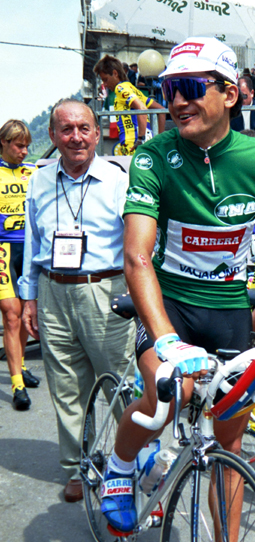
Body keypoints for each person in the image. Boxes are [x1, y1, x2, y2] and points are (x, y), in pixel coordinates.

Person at [99, 37, 255, 542]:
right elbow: (136, 256)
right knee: (169, 393)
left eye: (189, 89)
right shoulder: (154, 155)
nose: (176, 102)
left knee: (230, 443)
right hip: (169, 304)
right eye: (169, 91)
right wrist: (164, 337)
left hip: (229, 312)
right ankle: (119, 466)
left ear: (231, 94)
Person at [20, 100, 135, 503]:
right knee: (66, 386)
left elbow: (138, 244)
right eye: (66, 129)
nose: (76, 137)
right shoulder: (39, 178)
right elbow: (33, 240)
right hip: (53, 291)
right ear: (52, 136)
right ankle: (78, 466)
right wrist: (29, 297)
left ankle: (131, 463)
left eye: (84, 128)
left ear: (97, 131)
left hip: (105, 292)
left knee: (121, 384)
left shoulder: (119, 179)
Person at [0, 120, 39, 411]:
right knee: (11, 315)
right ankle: (17, 384)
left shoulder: (33, 173)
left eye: (27, 146)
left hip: (30, 249)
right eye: (18, 145)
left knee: (27, 311)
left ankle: (21, 363)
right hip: (3, 249)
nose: (24, 151)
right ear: (3, 143)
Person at [93, 55, 166, 155]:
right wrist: (159, 139)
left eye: (105, 79)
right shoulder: (132, 88)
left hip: (132, 146)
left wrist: (140, 138)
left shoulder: (120, 88)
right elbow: (161, 110)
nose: (104, 84)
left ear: (115, 73)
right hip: (145, 145)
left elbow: (142, 109)